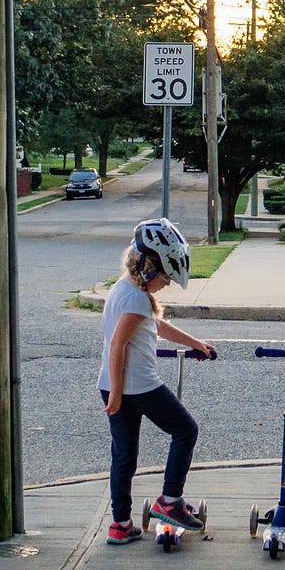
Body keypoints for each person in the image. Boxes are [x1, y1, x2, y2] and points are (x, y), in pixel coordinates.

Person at [98, 218, 217, 545]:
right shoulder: (137, 299)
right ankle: (169, 500)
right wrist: (121, 395)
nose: (167, 284)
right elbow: (117, 344)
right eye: (166, 277)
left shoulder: (124, 289)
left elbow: (157, 328)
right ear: (149, 269)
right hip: (136, 385)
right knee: (185, 430)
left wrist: (195, 343)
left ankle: (120, 524)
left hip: (112, 384)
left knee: (124, 455)